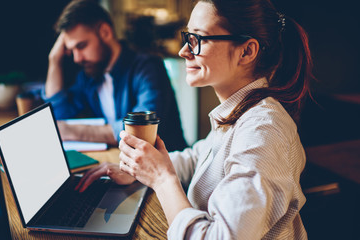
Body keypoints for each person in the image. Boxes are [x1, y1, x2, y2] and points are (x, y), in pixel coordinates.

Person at [76, 0, 314, 238]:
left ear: (247, 51)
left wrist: (161, 178)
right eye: (187, 37)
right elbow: (196, 160)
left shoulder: (263, 131)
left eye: (198, 39)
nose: (183, 51)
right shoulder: (238, 113)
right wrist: (139, 170)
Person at [42, 0, 187, 151]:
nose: (77, 58)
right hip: (125, 164)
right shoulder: (89, 75)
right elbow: (58, 116)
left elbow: (141, 130)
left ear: (105, 32)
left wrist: (74, 131)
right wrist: (54, 60)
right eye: (71, 50)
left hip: (169, 168)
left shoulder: (148, 67)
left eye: (81, 46)